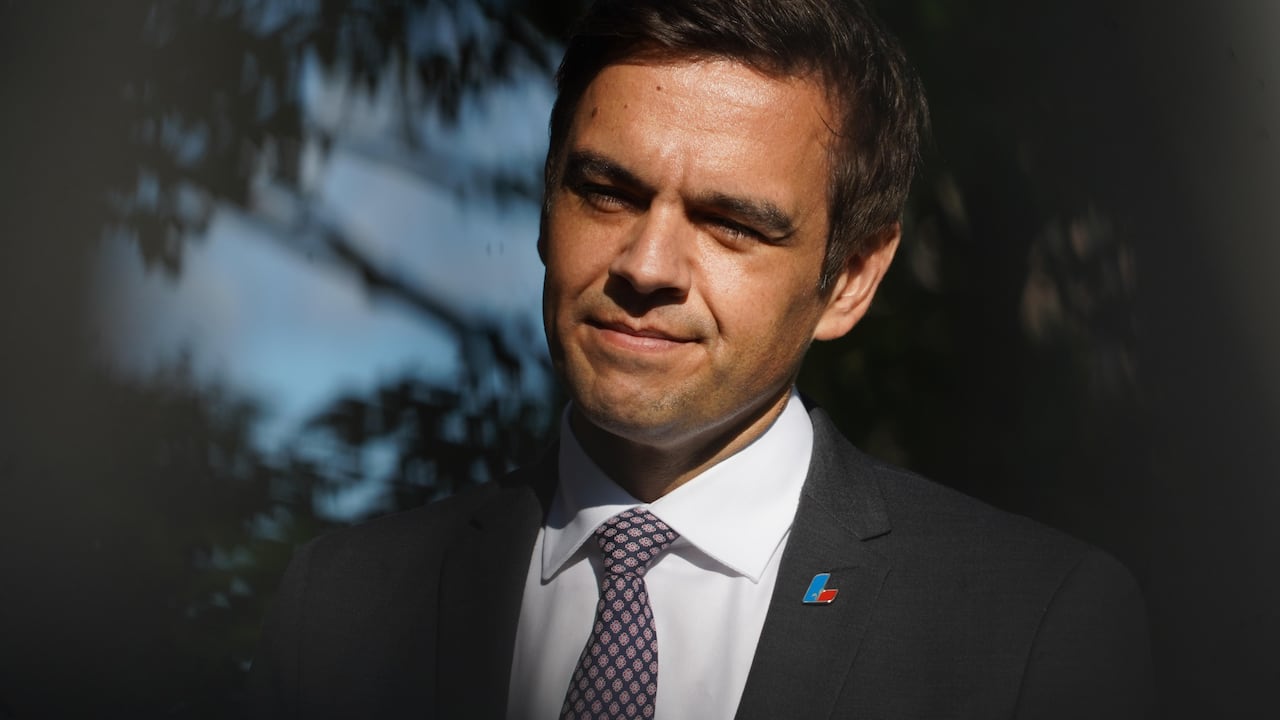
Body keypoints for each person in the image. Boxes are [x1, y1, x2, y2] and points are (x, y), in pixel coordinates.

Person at [248, 0, 1153, 717]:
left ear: (852, 279)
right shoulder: (345, 609)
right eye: (605, 192)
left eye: (731, 225)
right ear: (544, 204)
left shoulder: (1028, 626)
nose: (645, 266)